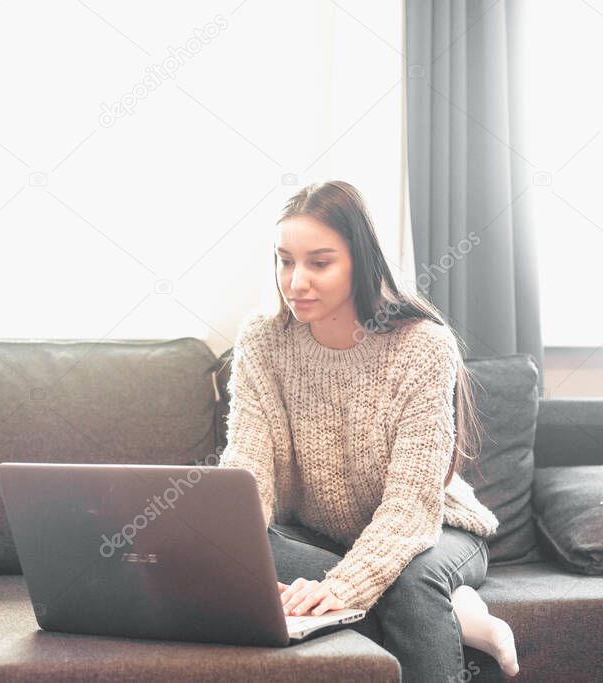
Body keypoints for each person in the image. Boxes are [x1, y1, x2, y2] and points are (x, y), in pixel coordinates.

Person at [218, 180, 519, 681]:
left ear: (361, 260)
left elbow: (408, 511)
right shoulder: (264, 340)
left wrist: (342, 588)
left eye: (319, 263)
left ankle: (451, 600)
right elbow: (247, 471)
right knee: (231, 541)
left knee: (407, 581)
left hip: (432, 528)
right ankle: (463, 615)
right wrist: (243, 559)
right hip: (316, 533)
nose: (295, 282)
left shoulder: (422, 347)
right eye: (285, 261)